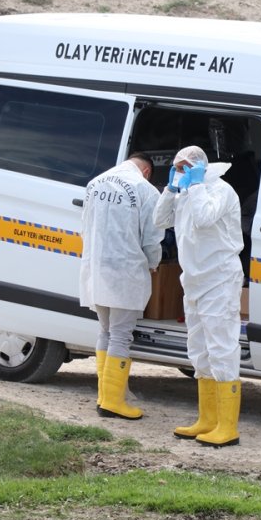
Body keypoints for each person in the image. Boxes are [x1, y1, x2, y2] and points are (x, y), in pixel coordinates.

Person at [154, 145, 244, 447]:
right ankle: (207, 420)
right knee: (199, 348)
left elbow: (205, 218)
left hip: (219, 277)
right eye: (176, 167)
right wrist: (170, 188)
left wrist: (193, 186)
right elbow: (159, 220)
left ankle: (227, 427)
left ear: (199, 167)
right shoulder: (185, 192)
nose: (180, 171)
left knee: (222, 347)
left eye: (184, 167)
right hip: (193, 278)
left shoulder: (220, 190)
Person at [79, 153, 163, 420]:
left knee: (105, 331)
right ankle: (113, 402)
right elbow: (152, 236)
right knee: (121, 335)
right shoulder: (145, 190)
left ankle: (104, 396)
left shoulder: (95, 183)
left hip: (96, 267)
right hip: (125, 270)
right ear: (147, 171)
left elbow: (85, 227)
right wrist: (153, 262)